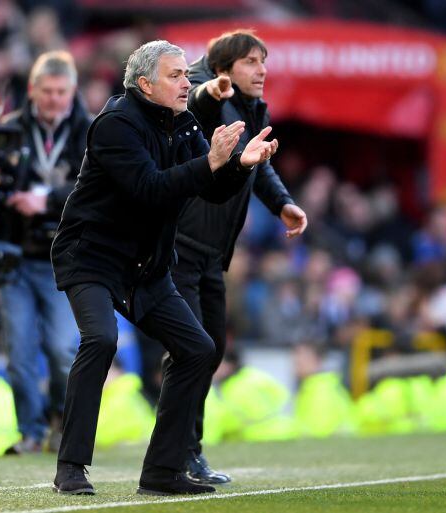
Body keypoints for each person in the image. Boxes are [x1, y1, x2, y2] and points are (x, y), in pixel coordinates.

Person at [50, 40, 278, 496]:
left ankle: (162, 470)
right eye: (175, 76)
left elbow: (210, 189)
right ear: (144, 84)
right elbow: (149, 189)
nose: (185, 83)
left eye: (184, 74)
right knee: (101, 339)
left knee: (198, 349)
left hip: (145, 266)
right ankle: (71, 466)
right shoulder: (115, 124)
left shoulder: (183, 121)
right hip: (92, 257)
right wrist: (211, 163)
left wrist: (239, 167)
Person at [175, 29, 307, 483]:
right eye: (251, 61)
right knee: (193, 350)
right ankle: (178, 454)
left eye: (263, 61)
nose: (262, 69)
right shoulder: (204, 96)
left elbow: (260, 166)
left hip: (212, 252)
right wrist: (211, 91)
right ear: (222, 69)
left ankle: (186, 451)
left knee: (211, 351)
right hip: (180, 246)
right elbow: (195, 101)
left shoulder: (253, 110)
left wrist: (283, 203)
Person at [0, 50, 92, 451]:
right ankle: (30, 432)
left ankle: (57, 419)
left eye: (61, 91)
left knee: (60, 350)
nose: (54, 99)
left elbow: (98, 186)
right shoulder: (8, 131)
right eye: (47, 91)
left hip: (65, 258)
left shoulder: (92, 131)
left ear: (73, 91)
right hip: (17, 254)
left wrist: (47, 198)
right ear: (32, 90)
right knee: (18, 352)